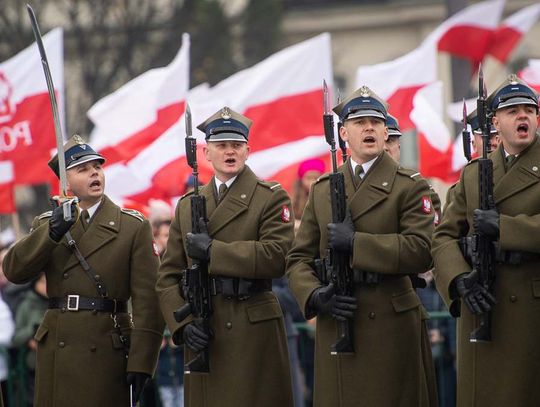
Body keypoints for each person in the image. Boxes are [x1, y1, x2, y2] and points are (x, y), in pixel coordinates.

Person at [287, 86, 437, 406]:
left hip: (389, 321)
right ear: (343, 134)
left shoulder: (408, 186)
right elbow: (298, 258)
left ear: (386, 132)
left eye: (375, 122)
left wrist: (357, 244)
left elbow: (422, 249)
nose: (368, 127)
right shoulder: (324, 189)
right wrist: (314, 295)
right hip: (339, 317)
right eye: (359, 122)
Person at [2, 135, 164, 407]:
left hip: (107, 349)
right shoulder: (48, 223)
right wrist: (52, 232)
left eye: (97, 167)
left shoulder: (132, 226)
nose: (94, 173)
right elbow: (14, 270)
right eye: (83, 169)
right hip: (59, 349)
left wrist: (142, 361)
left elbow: (149, 301)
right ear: (65, 182)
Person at [156, 107, 294, 407]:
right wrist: (182, 324)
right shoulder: (189, 205)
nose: (229, 151)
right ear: (207, 153)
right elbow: (167, 277)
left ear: (248, 150)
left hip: (253, 325)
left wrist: (213, 251)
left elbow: (277, 256)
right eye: (221, 146)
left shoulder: (270, 197)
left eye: (236, 145)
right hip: (206, 327)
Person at [432, 75, 540, 406]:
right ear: (495, 122)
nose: (523, 117)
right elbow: (444, 236)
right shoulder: (474, 173)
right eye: (512, 111)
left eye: (529, 110)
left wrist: (505, 227)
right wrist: (459, 279)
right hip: (483, 305)